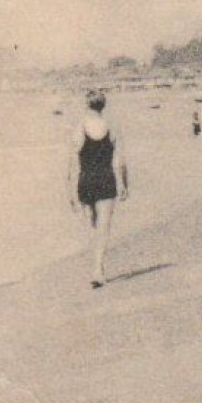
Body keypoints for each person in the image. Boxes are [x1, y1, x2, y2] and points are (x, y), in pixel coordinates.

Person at [67, 90, 129, 289]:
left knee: (92, 226)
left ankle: (95, 265)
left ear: (87, 105)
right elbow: (120, 162)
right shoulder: (112, 128)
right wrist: (124, 185)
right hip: (106, 179)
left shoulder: (80, 127)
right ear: (103, 106)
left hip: (86, 181)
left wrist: (70, 192)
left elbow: (71, 164)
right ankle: (98, 269)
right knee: (103, 227)